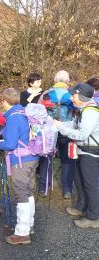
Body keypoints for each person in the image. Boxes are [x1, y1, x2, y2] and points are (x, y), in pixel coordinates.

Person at [54, 83, 99, 228]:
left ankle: (93, 217)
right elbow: (73, 124)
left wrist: (60, 128)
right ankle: (81, 207)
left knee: (90, 185)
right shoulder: (83, 109)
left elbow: (81, 134)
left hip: (90, 153)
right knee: (79, 181)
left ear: (81, 96)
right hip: (82, 151)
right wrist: (58, 123)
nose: (71, 98)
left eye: (73, 95)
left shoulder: (90, 112)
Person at [0, 88, 39, 245]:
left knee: (21, 193)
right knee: (28, 192)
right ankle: (29, 225)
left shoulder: (14, 118)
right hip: (32, 157)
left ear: (4, 101)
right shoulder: (23, 112)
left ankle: (22, 233)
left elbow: (10, 144)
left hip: (21, 160)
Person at [39, 70, 76, 199]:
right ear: (67, 82)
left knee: (46, 158)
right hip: (66, 130)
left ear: (55, 81)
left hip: (49, 130)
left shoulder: (47, 93)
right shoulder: (72, 94)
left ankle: (43, 188)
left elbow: (39, 110)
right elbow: (76, 112)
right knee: (67, 160)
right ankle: (67, 189)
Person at [20, 73, 52, 197]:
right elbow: (23, 106)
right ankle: (32, 171)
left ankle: (41, 179)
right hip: (28, 124)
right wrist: (32, 95)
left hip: (41, 125)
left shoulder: (43, 93)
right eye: (37, 81)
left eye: (40, 81)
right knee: (31, 147)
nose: (39, 83)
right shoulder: (24, 93)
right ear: (31, 83)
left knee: (41, 146)